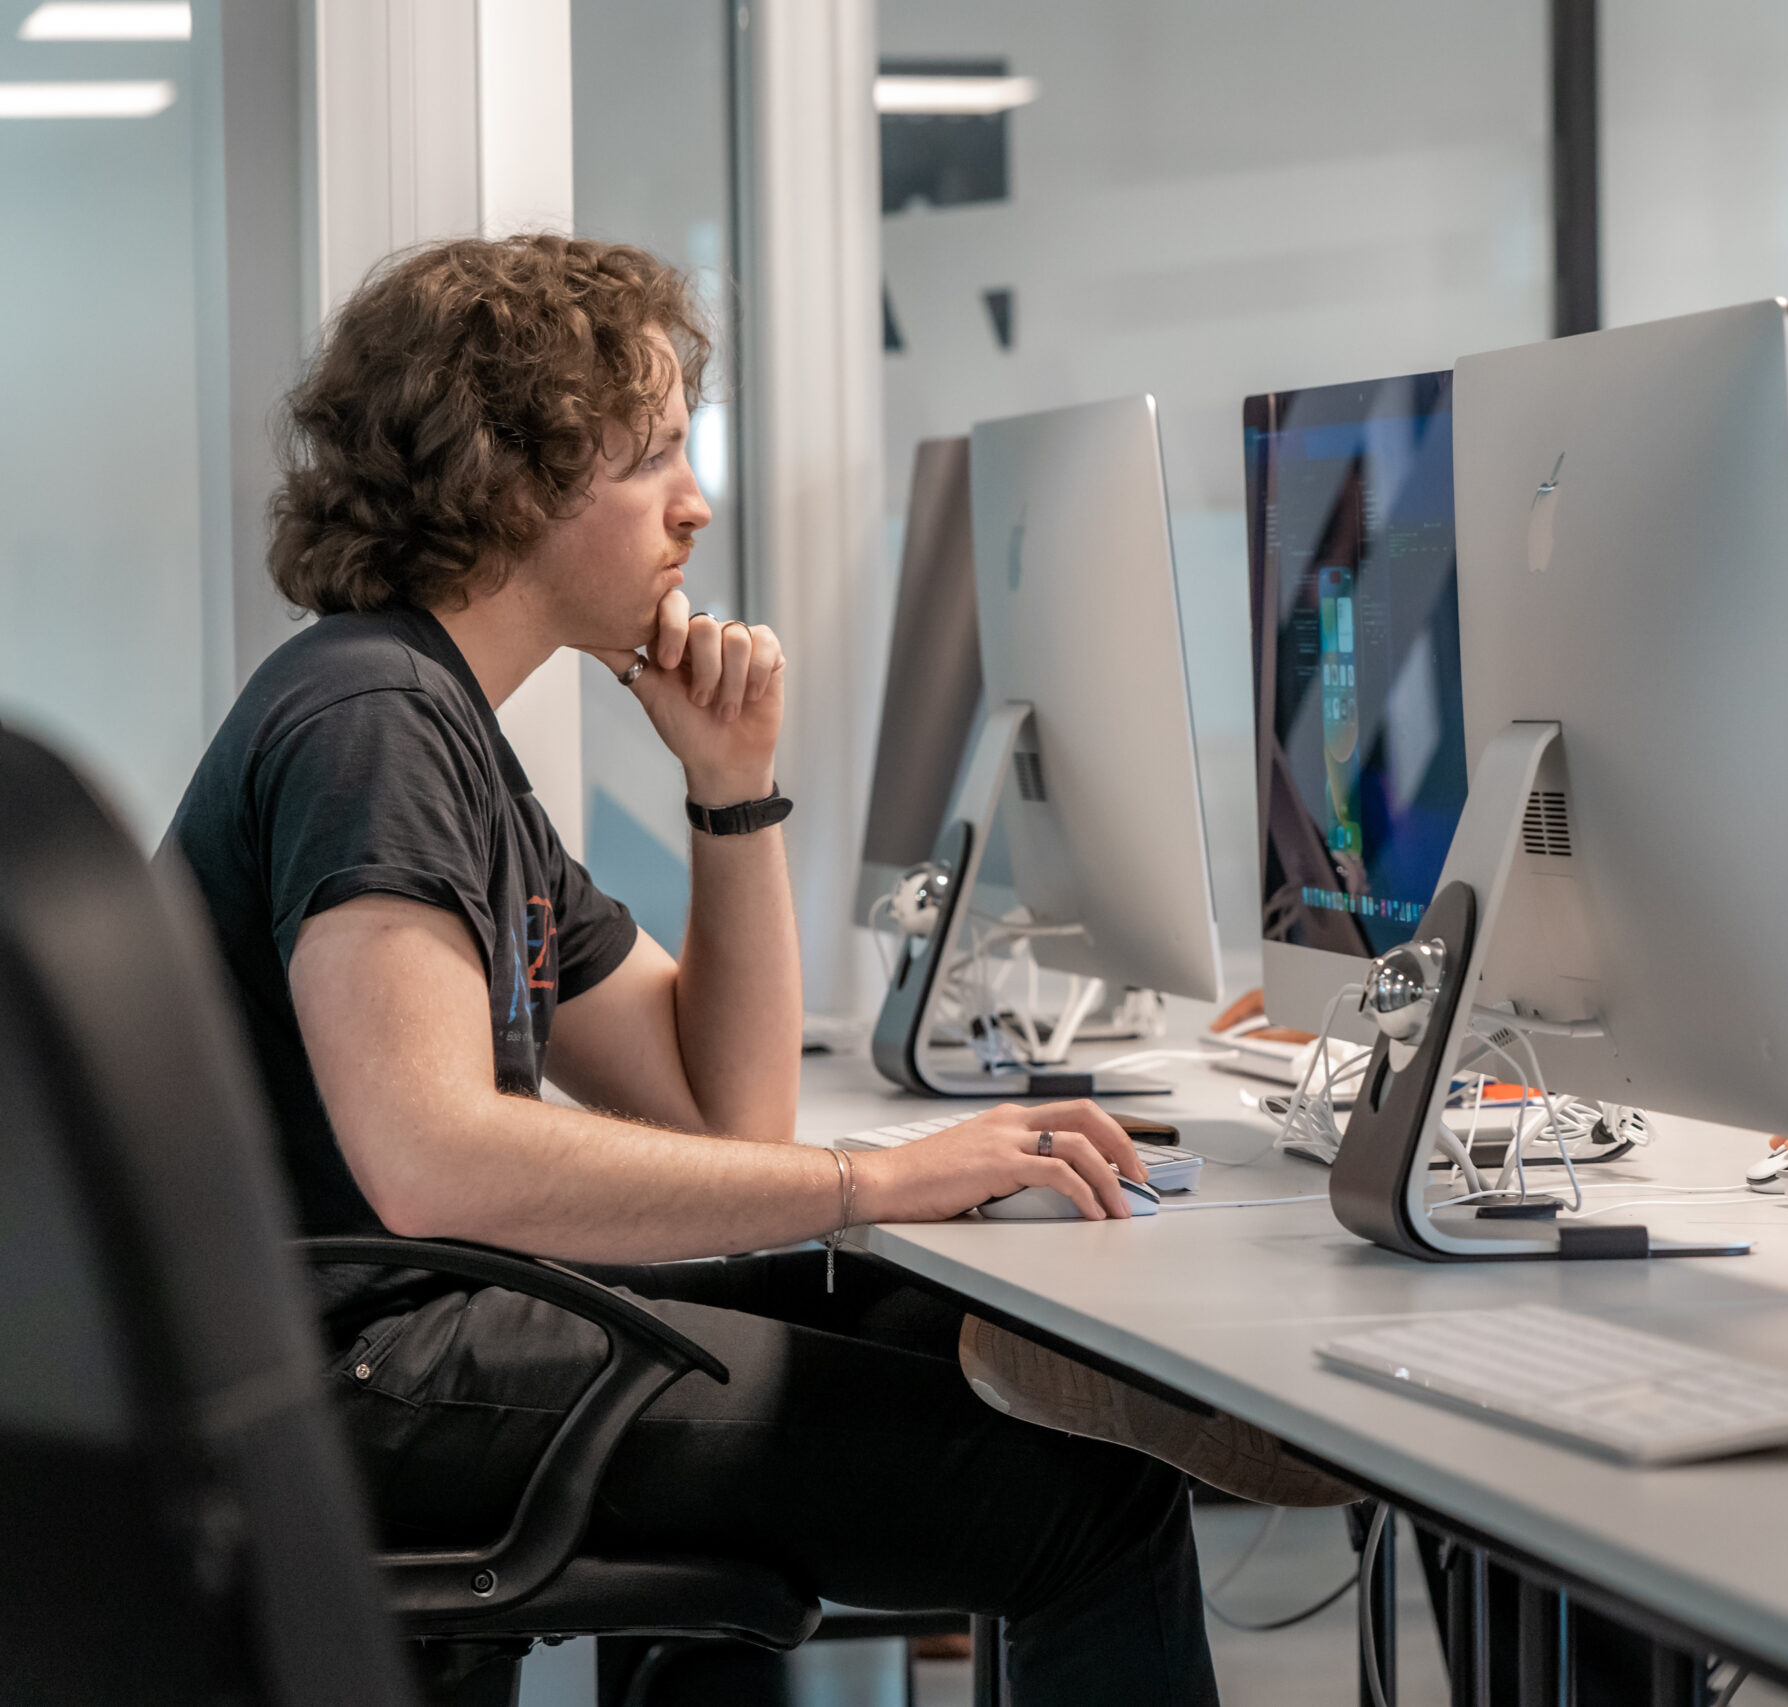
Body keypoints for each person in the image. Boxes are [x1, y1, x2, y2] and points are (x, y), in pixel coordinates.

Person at [159, 235, 1234, 1707]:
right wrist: (877, 1181)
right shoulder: (373, 724)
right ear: (511, 482)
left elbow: (727, 1116)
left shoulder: (439, 733)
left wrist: (732, 792)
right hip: (358, 1372)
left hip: (388, 1337)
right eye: (652, 455)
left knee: (944, 1333)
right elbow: (432, 1159)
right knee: (1086, 1491)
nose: (696, 501)